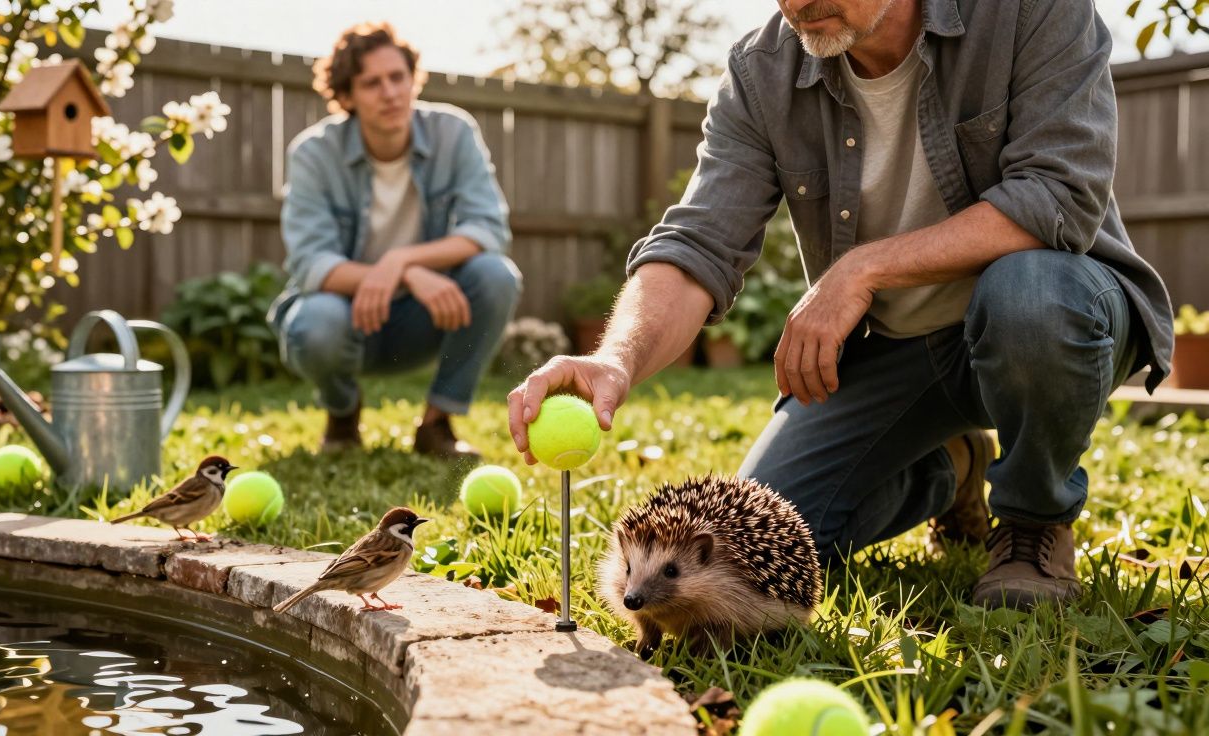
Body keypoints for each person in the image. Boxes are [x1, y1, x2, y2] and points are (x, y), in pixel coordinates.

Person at [507, 0, 1173, 610]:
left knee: (1029, 294)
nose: (799, 4)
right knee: (752, 554)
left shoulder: (1031, 11)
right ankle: (951, 468)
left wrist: (863, 268)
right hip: (896, 351)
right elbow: (699, 242)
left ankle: (1032, 525)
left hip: (1053, 316)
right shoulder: (761, 71)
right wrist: (616, 361)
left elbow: (1056, 196)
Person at [270, 22, 521, 460]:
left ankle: (436, 424)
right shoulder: (313, 154)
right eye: (371, 83)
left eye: (397, 77)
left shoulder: (454, 133)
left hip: (427, 316)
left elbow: (488, 228)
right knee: (315, 322)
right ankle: (343, 414)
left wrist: (402, 262)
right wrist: (397, 274)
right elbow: (312, 263)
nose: (390, 92)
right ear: (346, 96)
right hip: (346, 315)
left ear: (413, 79)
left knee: (496, 275)